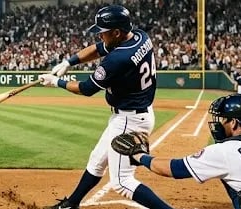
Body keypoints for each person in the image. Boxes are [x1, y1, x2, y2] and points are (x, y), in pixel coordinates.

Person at [37, 5, 171, 209]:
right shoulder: (140, 36)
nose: (100, 37)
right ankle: (71, 204)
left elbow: (87, 88)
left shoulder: (118, 59)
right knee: (97, 161)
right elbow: (99, 49)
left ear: (117, 32)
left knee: (122, 181)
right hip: (132, 114)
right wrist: (69, 61)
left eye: (103, 33)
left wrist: (57, 83)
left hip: (129, 120)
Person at [111, 94, 241, 209]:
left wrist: (139, 156)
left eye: (222, 119)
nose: (217, 124)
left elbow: (174, 169)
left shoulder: (226, 151)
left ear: (234, 123)